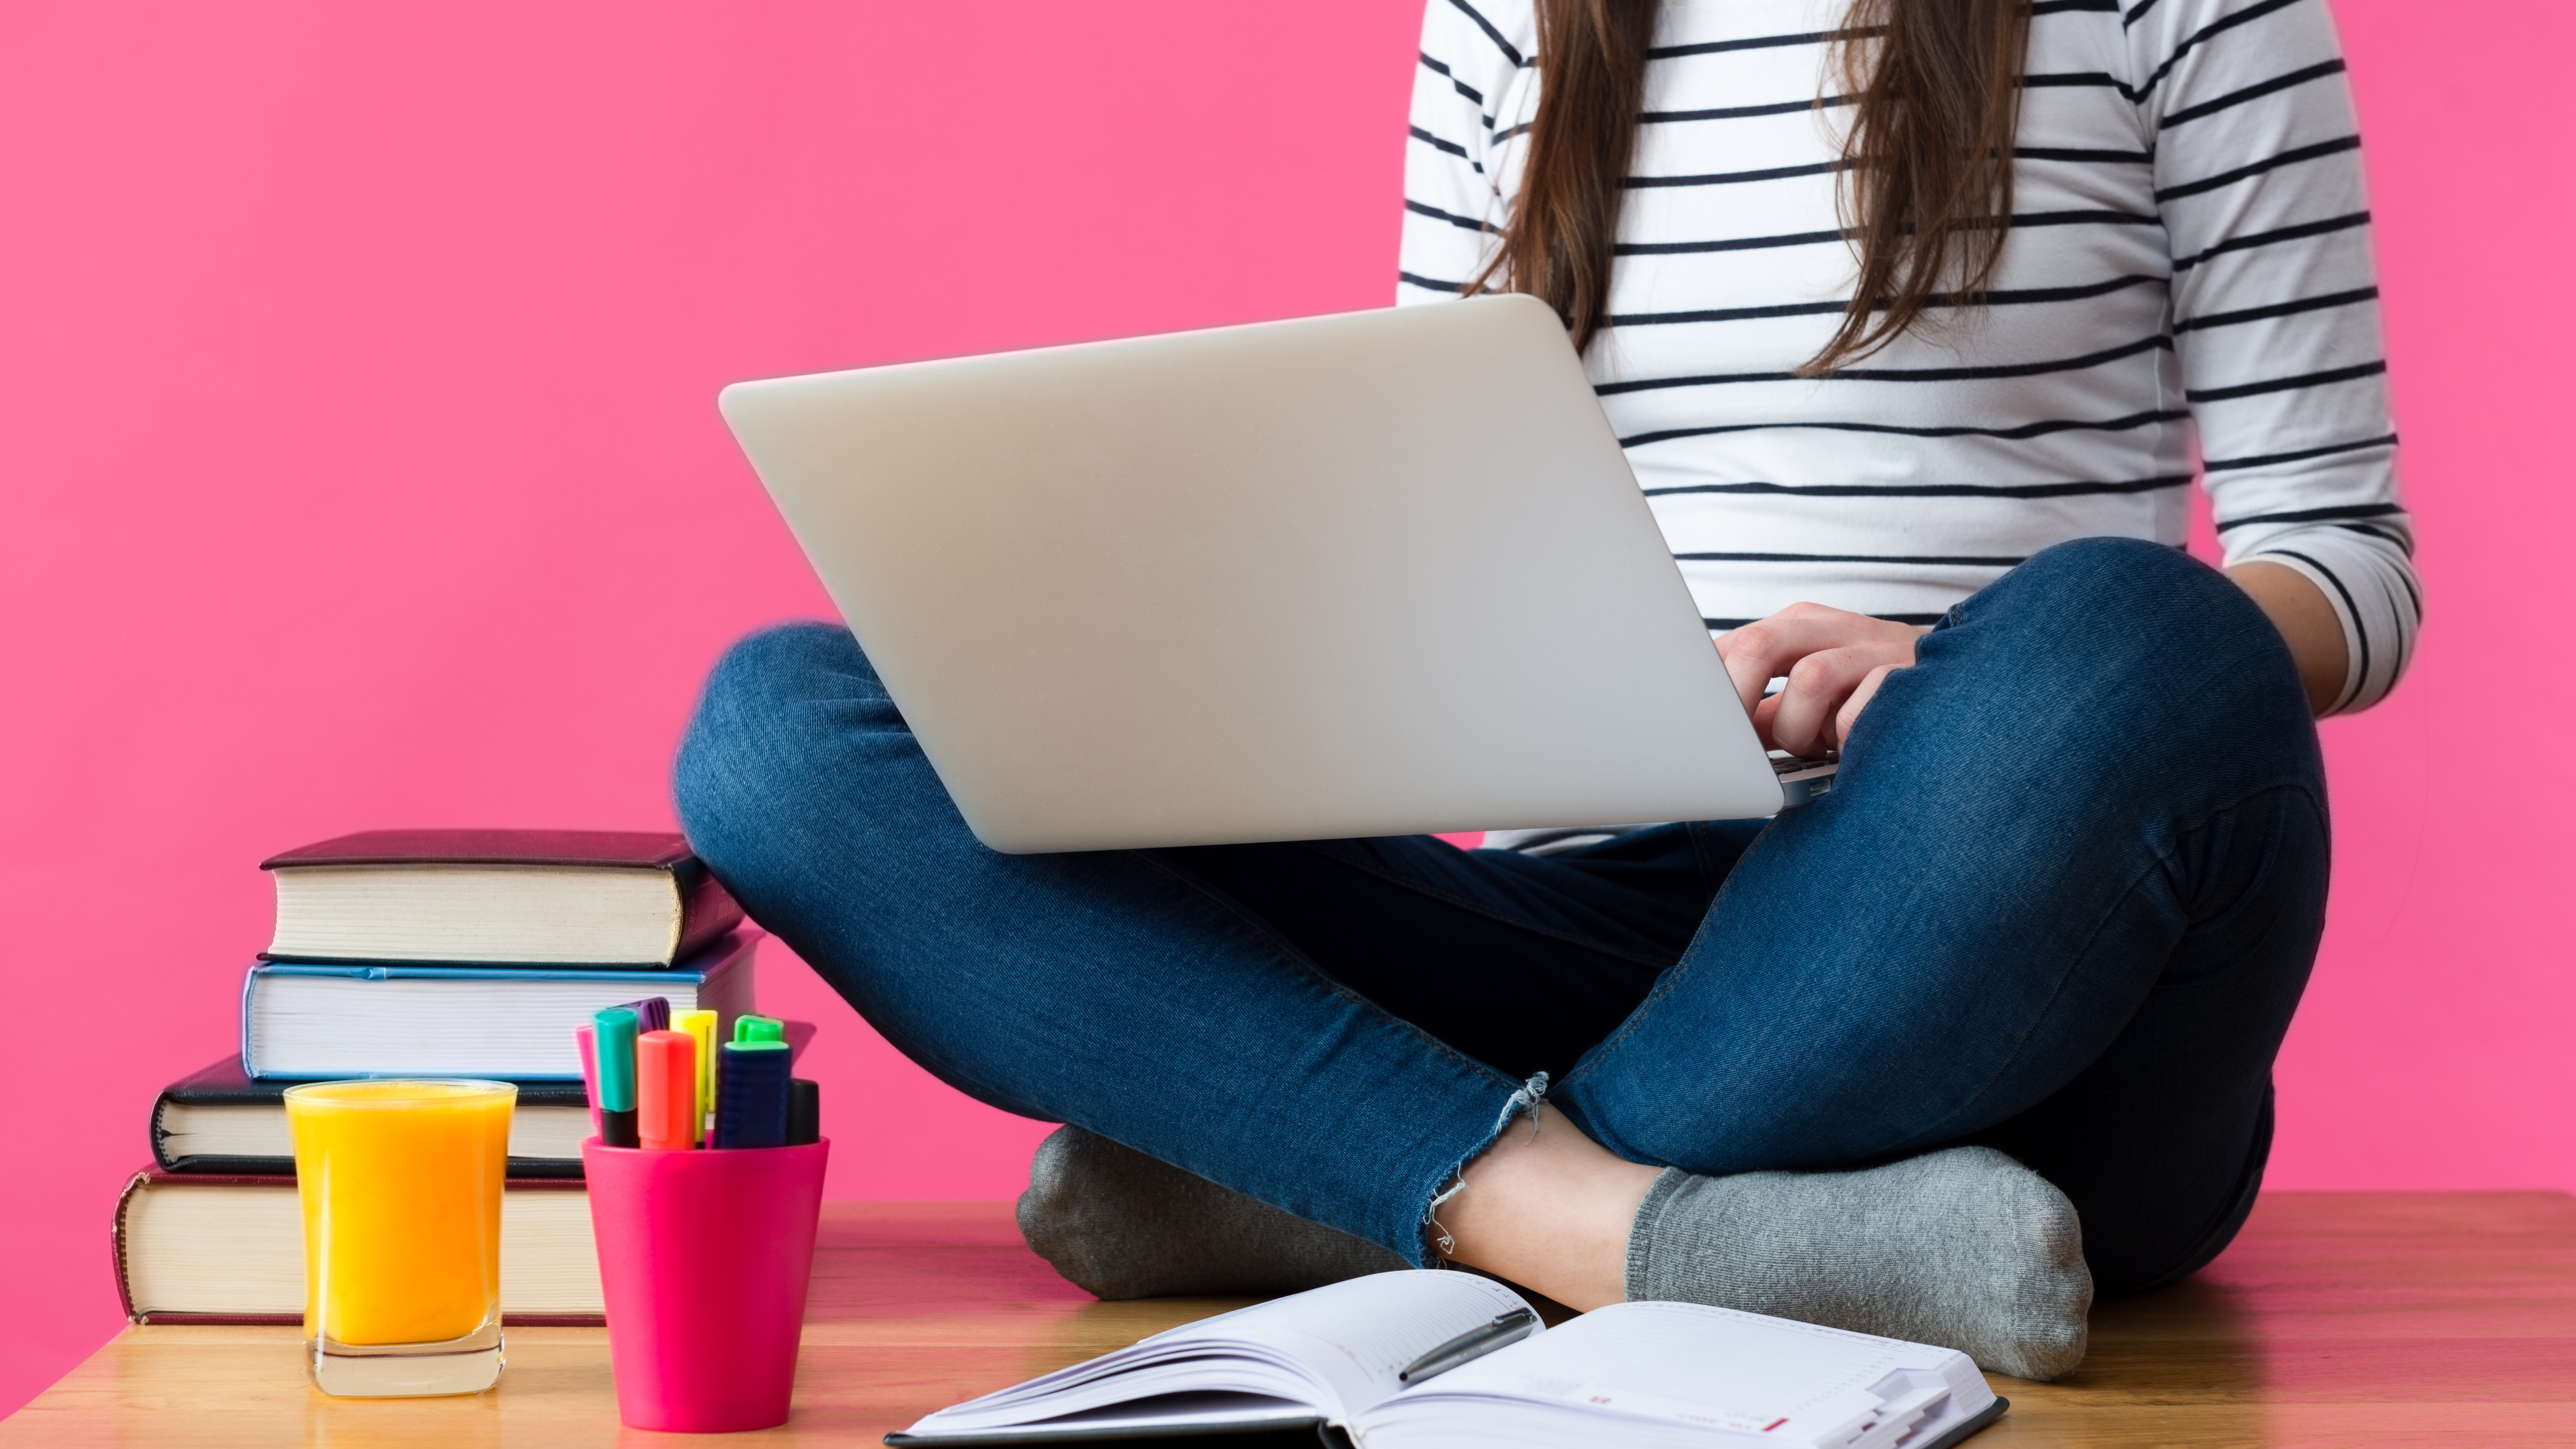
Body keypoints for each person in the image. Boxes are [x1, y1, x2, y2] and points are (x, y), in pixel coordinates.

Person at [675, 0, 2416, 1381]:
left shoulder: (2184, 9)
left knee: (2139, 634)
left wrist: (1938, 671)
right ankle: (1572, 1217)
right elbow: (1441, 508)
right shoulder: (1514, 16)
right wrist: (1237, 662)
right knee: (782, 730)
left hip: (2008, 920)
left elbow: (2346, 565)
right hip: (1591, 917)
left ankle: (1358, 1188)